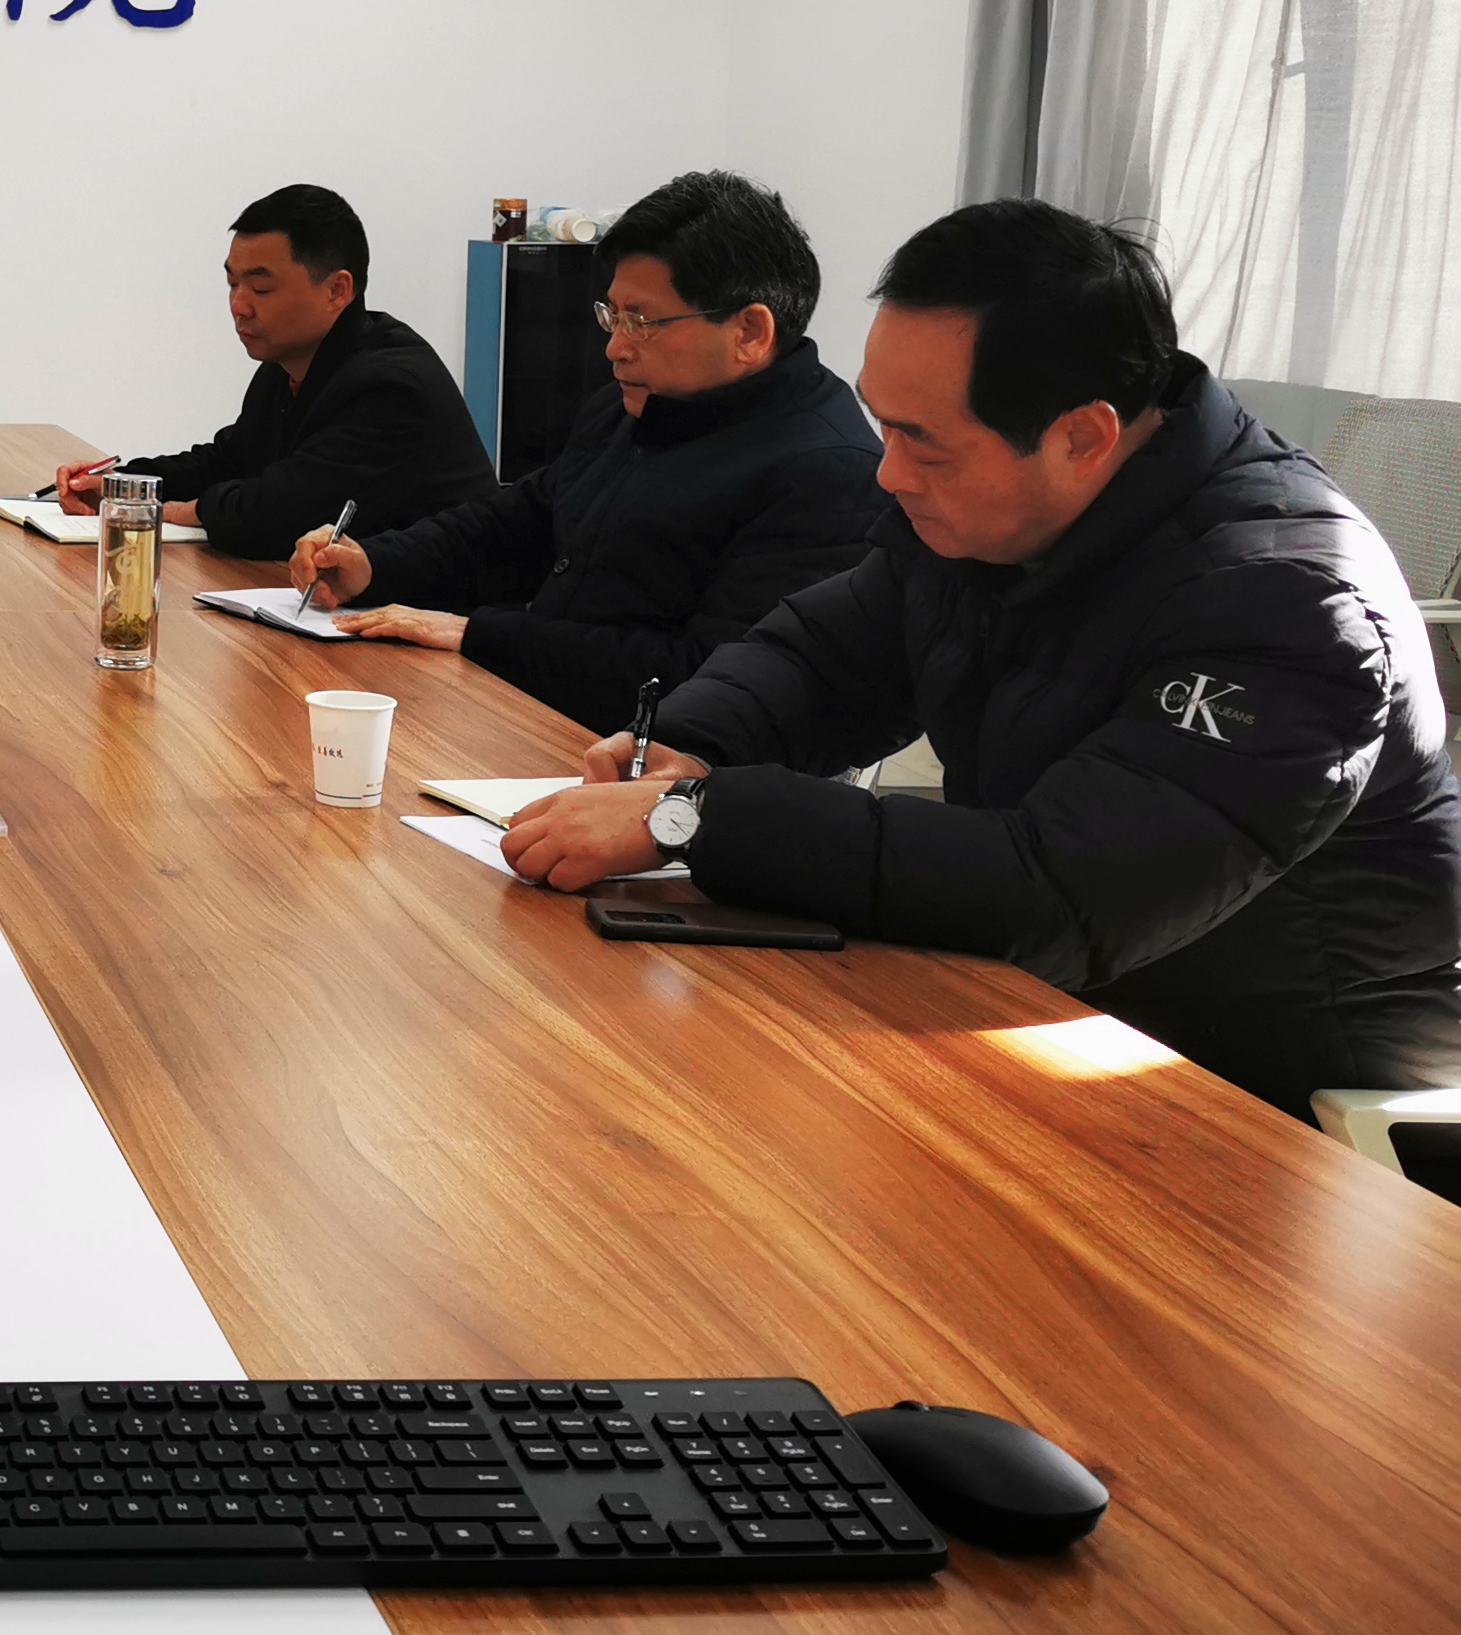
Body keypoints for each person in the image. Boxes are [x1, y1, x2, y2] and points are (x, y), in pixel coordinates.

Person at [501, 199, 1461, 1119]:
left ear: (1082, 436)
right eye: (883, 425)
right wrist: (686, 746)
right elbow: (825, 659)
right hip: (1054, 1015)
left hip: (1280, 1090)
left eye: (924, 445)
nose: (889, 473)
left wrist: (696, 816)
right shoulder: (990, 513)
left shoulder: (1288, 603)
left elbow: (1063, 890)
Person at [283, 170, 882, 731]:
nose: (615, 347)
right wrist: (376, 564)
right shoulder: (635, 406)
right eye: (612, 316)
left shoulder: (825, 474)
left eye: (642, 321)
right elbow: (515, 524)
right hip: (531, 711)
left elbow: (705, 676)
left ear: (749, 332)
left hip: (648, 767)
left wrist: (477, 635)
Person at [54, 183, 494, 557]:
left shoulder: (391, 386)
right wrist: (120, 485)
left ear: (337, 290)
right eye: (232, 283)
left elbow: (281, 515)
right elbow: (229, 461)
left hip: (437, 615)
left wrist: (176, 511)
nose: (238, 306)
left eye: (261, 288)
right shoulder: (286, 364)